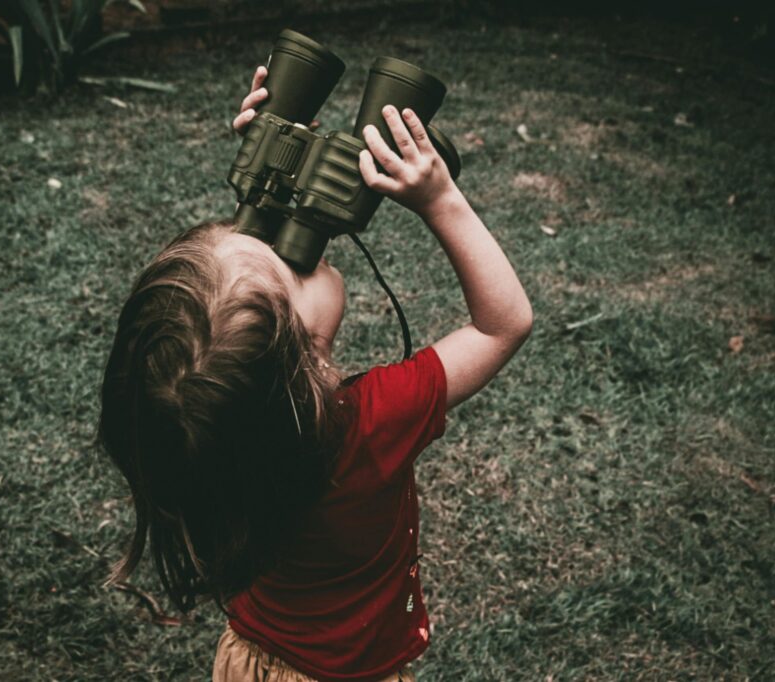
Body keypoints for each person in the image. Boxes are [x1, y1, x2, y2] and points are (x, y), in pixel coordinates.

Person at [96, 64, 533, 682]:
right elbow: (503, 323)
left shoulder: (194, 434)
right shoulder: (371, 422)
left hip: (253, 663)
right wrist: (441, 199)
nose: (275, 246)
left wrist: (279, 151)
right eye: (281, 261)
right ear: (310, 353)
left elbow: (233, 321)